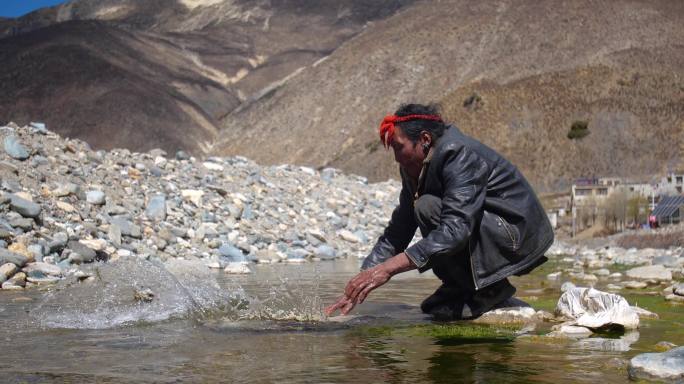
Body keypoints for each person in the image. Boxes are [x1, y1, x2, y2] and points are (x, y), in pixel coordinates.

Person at [325, 103, 554, 320]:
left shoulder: (458, 153)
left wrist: (388, 269)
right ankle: (461, 287)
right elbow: (399, 230)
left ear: (424, 139)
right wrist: (363, 279)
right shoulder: (413, 166)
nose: (396, 157)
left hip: (516, 234)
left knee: (427, 207)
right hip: (486, 229)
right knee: (423, 206)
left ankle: (490, 289)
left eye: (398, 147)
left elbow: (456, 229)